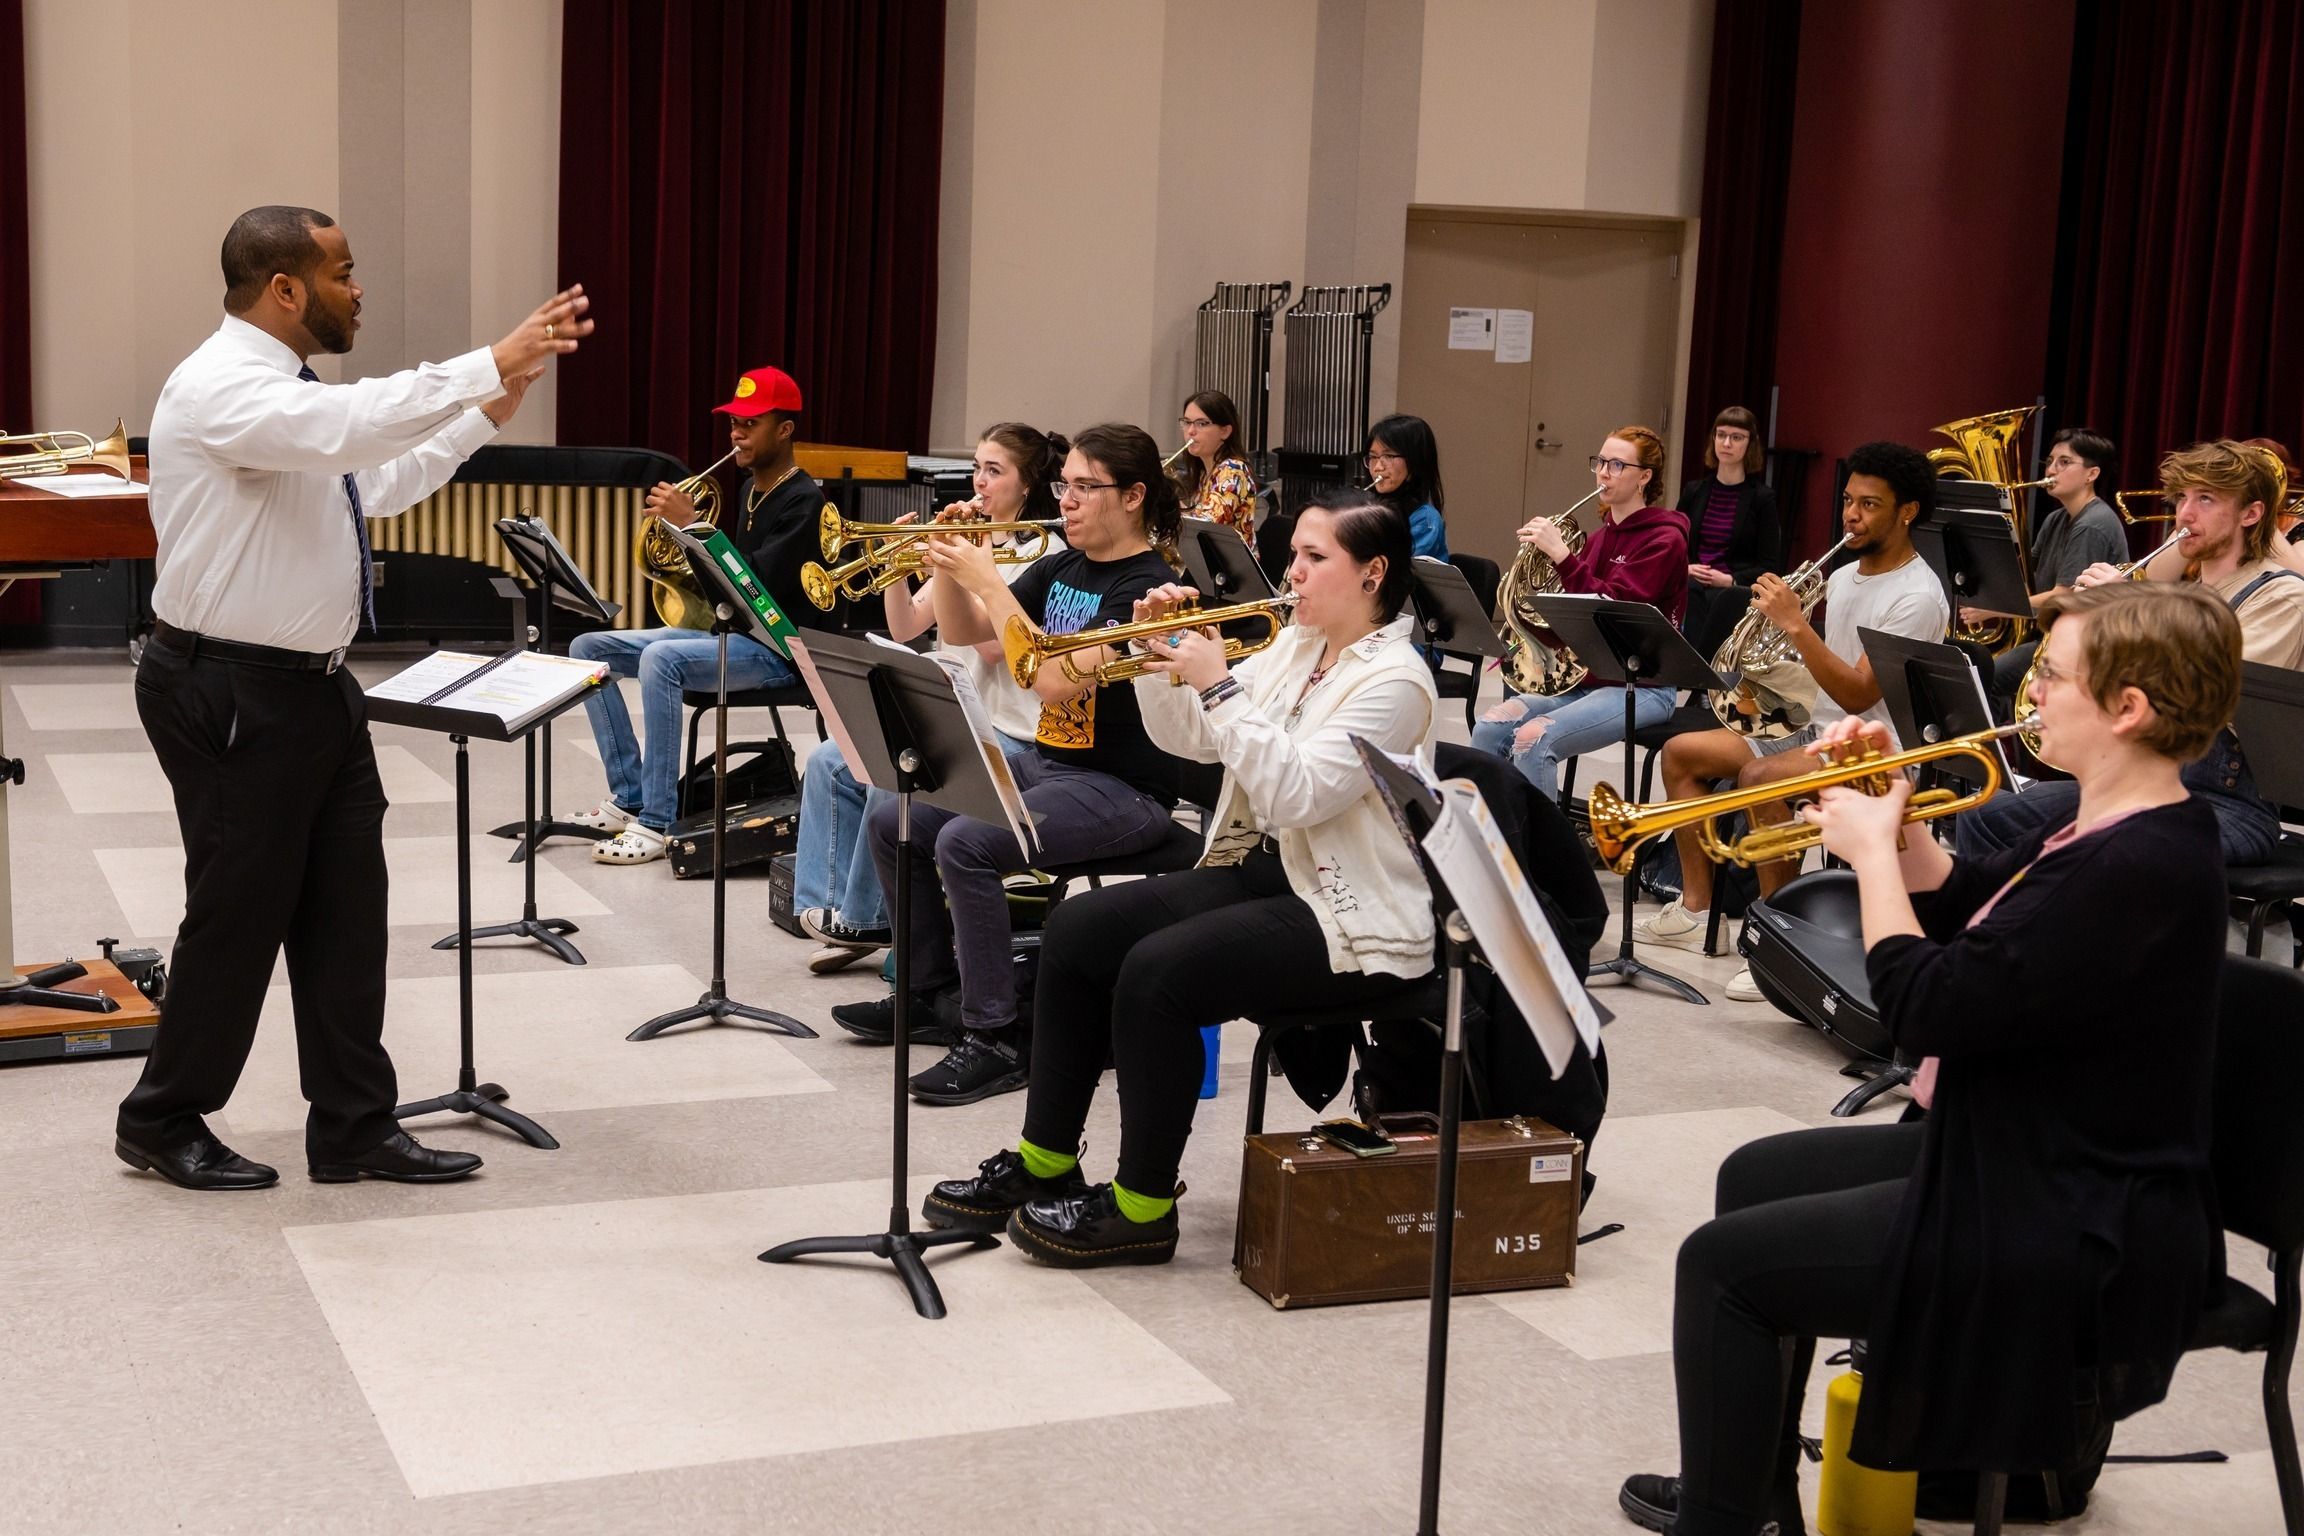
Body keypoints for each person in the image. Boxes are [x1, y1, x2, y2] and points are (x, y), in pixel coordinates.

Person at [1618, 580, 2238, 1536]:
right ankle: (1752, 1490)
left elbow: (1924, 1007)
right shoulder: (2108, 822)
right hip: (2022, 1144)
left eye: (2055, 679)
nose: (2032, 697)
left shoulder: (2140, 863)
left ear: (2129, 709)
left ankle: (1722, 1523)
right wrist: (1892, 819)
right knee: (1752, 1178)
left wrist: (1865, 860)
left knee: (1720, 1268)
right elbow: (1972, 901)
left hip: (2074, 1207)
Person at [117, 204, 588, 1190]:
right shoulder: (221, 388)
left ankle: (353, 1124)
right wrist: (483, 363)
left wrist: (479, 417)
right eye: (344, 272)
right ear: (285, 289)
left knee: (346, 910)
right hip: (231, 686)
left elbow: (370, 483)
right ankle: (161, 1118)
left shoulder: (288, 394)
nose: (359, 288)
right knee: (239, 912)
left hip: (316, 689)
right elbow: (351, 426)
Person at [919, 489, 1437, 1264]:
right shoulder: (1298, 645)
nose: (1291, 572)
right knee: (1078, 928)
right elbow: (1192, 742)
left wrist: (1218, 681)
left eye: (1314, 558)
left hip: (1346, 907)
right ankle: (1046, 1159)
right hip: (1261, 868)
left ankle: (1142, 1205)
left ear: (1373, 574)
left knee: (1159, 973)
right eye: (1293, 553)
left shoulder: (1397, 681)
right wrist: (1165, 663)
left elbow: (1296, 791)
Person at [837, 424, 1187, 1105]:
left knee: (969, 843)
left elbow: (1052, 680)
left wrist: (989, 577)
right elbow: (965, 631)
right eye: (1067, 486)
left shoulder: (1147, 589)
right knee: (893, 814)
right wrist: (946, 558)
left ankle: (993, 1036)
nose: (1072, 501)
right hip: (1054, 768)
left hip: (1124, 790)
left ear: (1136, 496)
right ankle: (928, 991)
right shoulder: (1067, 568)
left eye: (1089, 487)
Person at [1638, 442, 1950, 999]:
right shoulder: (1845, 574)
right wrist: (1769, 668)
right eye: (1850, 500)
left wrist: (1795, 625)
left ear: (1908, 512)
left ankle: (1774, 939)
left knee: (1761, 779)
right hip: (1815, 723)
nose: (1851, 515)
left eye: (1870, 505)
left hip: (1871, 745)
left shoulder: (1919, 596)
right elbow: (1816, 673)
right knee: (1681, 753)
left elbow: (1858, 695)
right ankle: (1694, 908)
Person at [792, 423, 1061, 975]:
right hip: (953, 714)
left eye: (994, 471)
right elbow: (906, 626)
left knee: (892, 770)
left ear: (1028, 483)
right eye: (977, 468)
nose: (979, 483)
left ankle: (870, 920)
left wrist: (962, 567)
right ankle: (831, 908)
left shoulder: (1042, 555)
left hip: (1010, 731)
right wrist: (897, 562)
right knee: (827, 762)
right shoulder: (967, 542)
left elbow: (989, 648)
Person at [1958, 437, 2304, 866]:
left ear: (2251, 514)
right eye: (2182, 497)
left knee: (2101, 847)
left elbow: (2211, 700)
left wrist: (2129, 613)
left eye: (2207, 499)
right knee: (1983, 815)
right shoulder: (2189, 592)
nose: (2185, 513)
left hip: (2226, 806)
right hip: (2143, 785)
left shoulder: (2282, 596)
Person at [562, 366, 830, 865]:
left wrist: (694, 525)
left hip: (781, 652)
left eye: (750, 423)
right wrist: (688, 541)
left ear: (785, 429)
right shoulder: (753, 490)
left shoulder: (805, 502)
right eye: (733, 422)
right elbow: (722, 586)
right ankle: (631, 796)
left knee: (662, 659)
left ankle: (659, 821)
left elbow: (753, 588)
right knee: (587, 650)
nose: (736, 432)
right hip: (735, 633)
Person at [1470, 425, 1690, 801]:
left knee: (1533, 739)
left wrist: (1563, 557)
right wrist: (1528, 620)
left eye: (1617, 465)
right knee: (1489, 727)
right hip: (1587, 680)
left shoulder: (1665, 540)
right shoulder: (1600, 538)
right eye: (1601, 462)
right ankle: (1497, 835)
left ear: (1645, 477)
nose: (1604, 472)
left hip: (1643, 685)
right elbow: (1576, 623)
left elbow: (1615, 609)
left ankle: (1545, 856)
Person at [1975, 427, 2124, 703]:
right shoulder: (2056, 518)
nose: (2051, 470)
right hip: (2049, 638)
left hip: (2082, 646)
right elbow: (2023, 575)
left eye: (2064, 462)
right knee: (1974, 665)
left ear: (2092, 474)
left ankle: (1991, 747)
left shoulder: (2093, 524)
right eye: (2051, 461)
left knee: (1986, 680)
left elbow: (2063, 597)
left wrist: (1997, 608)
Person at [1677, 406, 1781, 659]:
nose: (1726, 443)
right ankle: (1696, 676)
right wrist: (1687, 568)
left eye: (1736, 437)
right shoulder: (1694, 491)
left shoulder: (1762, 498)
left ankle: (1703, 681)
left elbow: (1770, 564)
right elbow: (1673, 545)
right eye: (1721, 435)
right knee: (1690, 590)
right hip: (1693, 583)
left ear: (1750, 444)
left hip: (1733, 589)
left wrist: (1730, 579)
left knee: (1722, 599)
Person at [1172, 389, 1258, 540]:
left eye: (1202, 424)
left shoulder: (1233, 470)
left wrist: (1168, 499)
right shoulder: (1205, 473)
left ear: (1225, 431)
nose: (1190, 431)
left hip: (1230, 563)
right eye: (1186, 422)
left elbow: (1203, 529)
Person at [1365, 413, 1449, 559]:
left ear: (1415, 463)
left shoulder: (1426, 520)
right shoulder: (1367, 507)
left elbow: (1391, 568)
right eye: (1373, 457)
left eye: (1389, 456)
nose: (1377, 467)